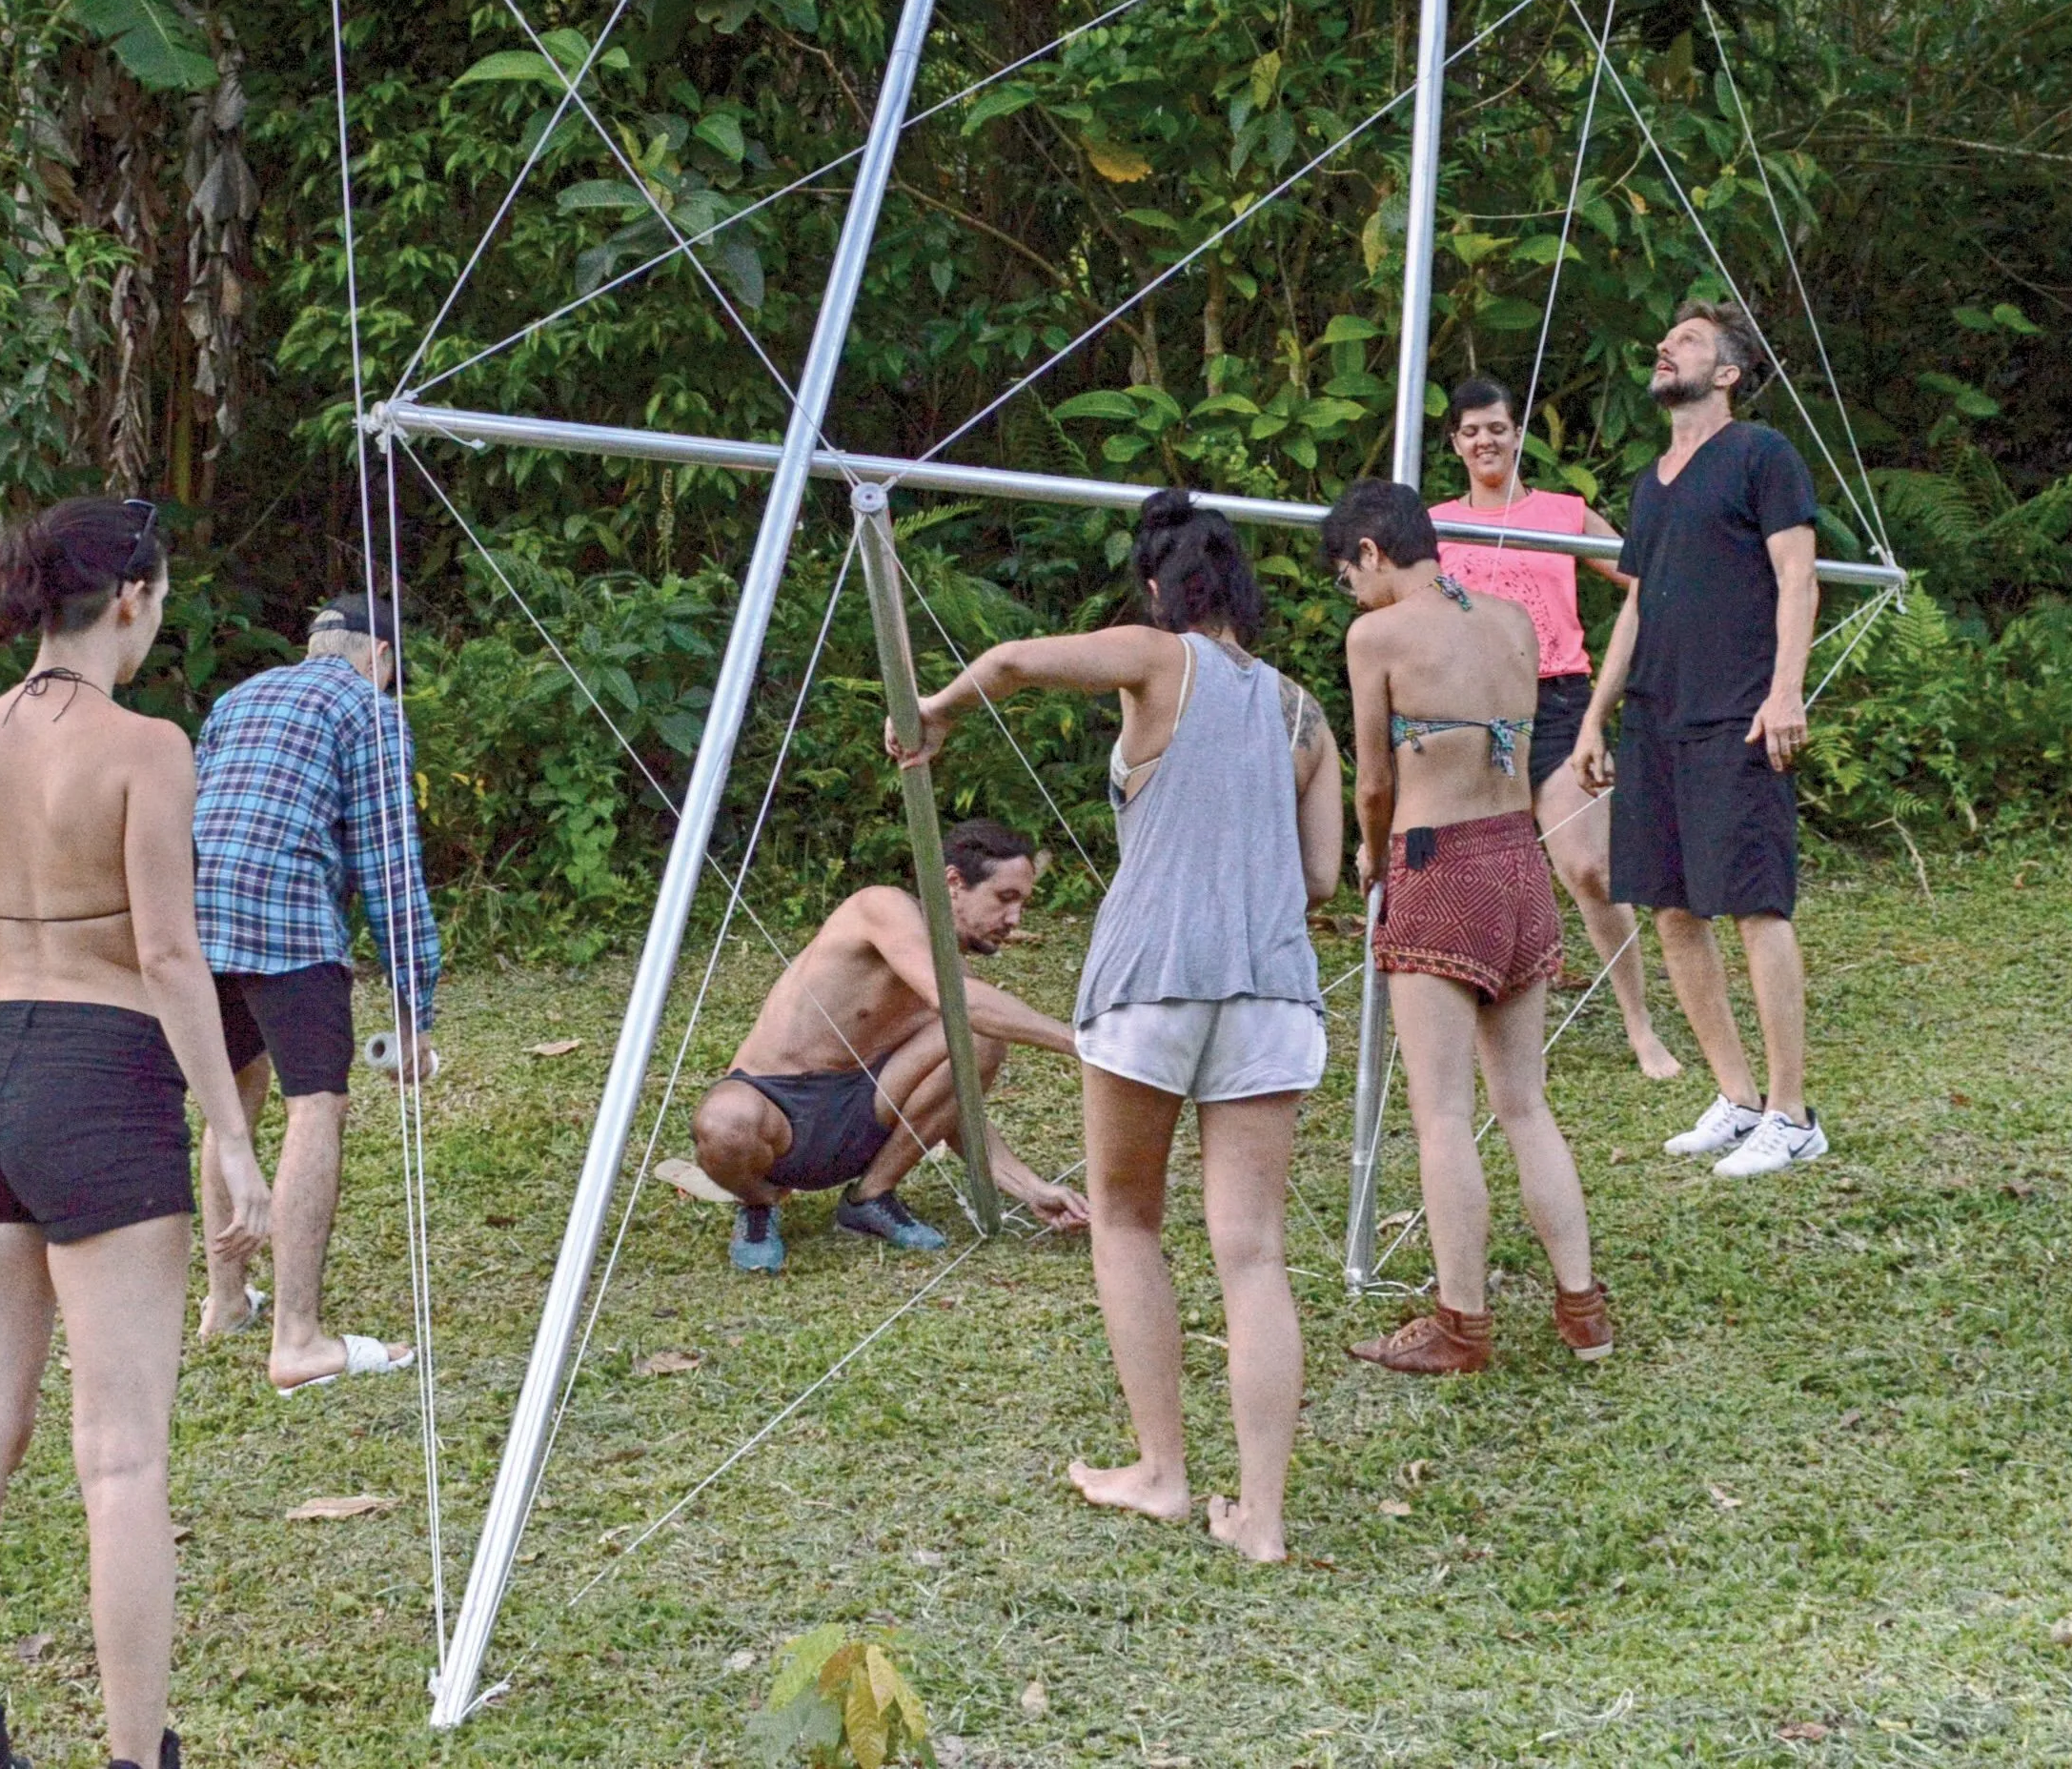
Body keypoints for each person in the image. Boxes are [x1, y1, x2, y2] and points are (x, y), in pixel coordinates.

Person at [895, 492, 1341, 1562]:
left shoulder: (1157, 656)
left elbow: (1006, 662)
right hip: (1270, 990)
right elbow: (1322, 875)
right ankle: (1264, 1520)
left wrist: (937, 708)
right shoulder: (1303, 714)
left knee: (1128, 1219)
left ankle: (1162, 1473)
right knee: (1254, 1253)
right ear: (1242, 591)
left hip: (1150, 982)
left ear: (1157, 589)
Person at [0, 497, 274, 1769]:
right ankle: (133, 1754)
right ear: (133, 600)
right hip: (104, 1076)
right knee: (118, 1459)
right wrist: (230, 1135)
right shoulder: (148, 747)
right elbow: (171, 955)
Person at [1326, 478, 1614, 1378]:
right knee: (1523, 1104)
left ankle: (1463, 1323)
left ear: (1371, 552)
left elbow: (1374, 783)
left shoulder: (1376, 634)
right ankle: (1583, 1312)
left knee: (1443, 1113)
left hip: (1436, 863)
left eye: (1349, 576)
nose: (1353, 595)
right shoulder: (1512, 622)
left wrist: (1371, 857)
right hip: (1519, 858)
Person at [1570, 298, 1831, 1179]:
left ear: (1725, 373)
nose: (1662, 348)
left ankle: (1793, 1115)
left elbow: (1798, 576)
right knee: (1673, 910)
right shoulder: (1652, 481)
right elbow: (1637, 604)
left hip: (1740, 713)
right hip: (1654, 717)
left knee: (1758, 904)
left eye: (1683, 342)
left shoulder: (1762, 455)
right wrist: (1596, 715)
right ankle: (1738, 1097)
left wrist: (1785, 690)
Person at [192, 587, 440, 1392]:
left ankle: (226, 1302)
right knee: (316, 1104)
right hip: (287, 916)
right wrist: (413, 1018)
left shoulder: (237, 697)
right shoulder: (370, 710)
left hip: (198, 912)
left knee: (231, 1092)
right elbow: (389, 868)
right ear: (384, 659)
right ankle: (297, 1340)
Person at [684, 820, 1091, 1266]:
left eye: (1022, 905)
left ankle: (869, 1198)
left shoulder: (952, 981)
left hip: (863, 1113)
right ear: (953, 882)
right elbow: (961, 1002)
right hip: (777, 1111)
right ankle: (759, 1205)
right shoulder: (882, 908)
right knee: (725, 1121)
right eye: (1005, 898)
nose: (1014, 921)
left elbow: (953, 1107)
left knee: (977, 1038)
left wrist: (1032, 1188)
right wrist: (1085, 1045)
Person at [1433, 375, 1685, 1081]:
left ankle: (1640, 1025)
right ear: (1455, 443)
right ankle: (1472, 1032)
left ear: (1518, 435)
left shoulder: (1562, 513)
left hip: (1561, 705)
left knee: (1590, 868)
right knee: (1472, 877)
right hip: (1471, 713)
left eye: (1498, 427)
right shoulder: (1436, 523)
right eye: (1471, 430)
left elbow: (1648, 579)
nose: (1486, 440)